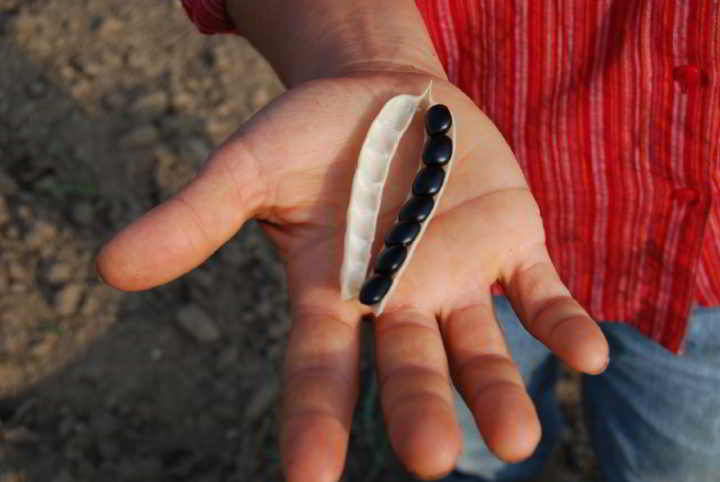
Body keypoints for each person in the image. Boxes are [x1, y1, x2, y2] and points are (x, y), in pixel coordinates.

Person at [97, 1, 720, 481]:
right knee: (468, 440)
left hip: (706, 280)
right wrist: (362, 52)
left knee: (678, 462)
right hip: (469, 261)